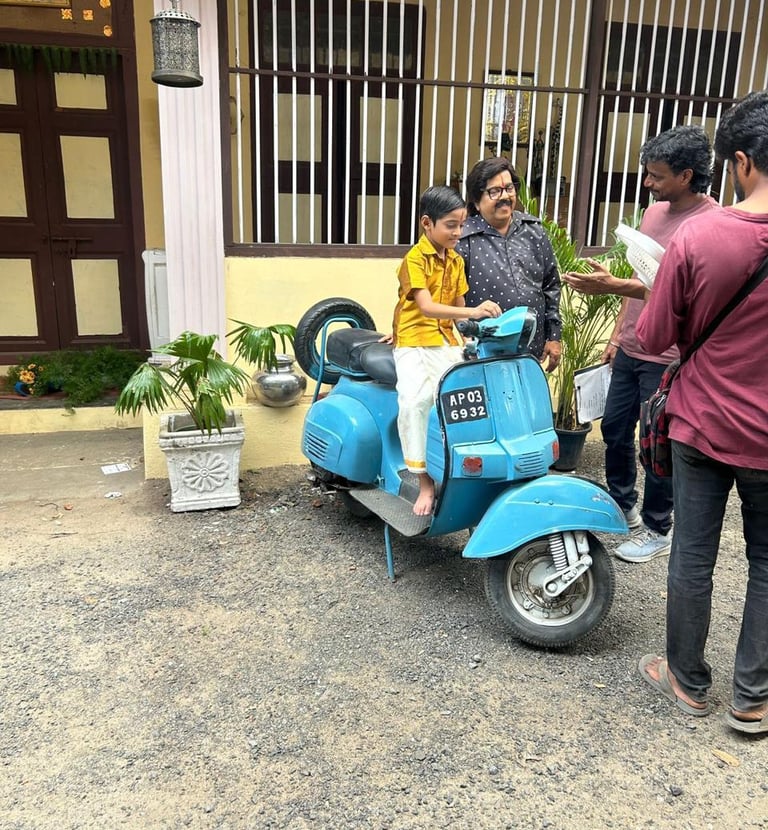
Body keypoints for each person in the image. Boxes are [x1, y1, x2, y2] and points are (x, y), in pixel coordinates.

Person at [633, 91, 768, 733]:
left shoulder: (700, 236)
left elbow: (655, 334)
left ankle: (686, 682)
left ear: (741, 162)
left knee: (693, 553)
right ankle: (753, 698)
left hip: (703, 424)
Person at [563, 126, 718, 563]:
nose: (648, 183)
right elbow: (641, 278)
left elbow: (683, 294)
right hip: (632, 346)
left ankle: (657, 526)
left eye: (657, 175)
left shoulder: (710, 225)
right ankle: (622, 503)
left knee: (656, 444)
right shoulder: (653, 214)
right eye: (646, 173)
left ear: (686, 175)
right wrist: (617, 333)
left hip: (668, 355)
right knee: (614, 429)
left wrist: (613, 285)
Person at [392, 186, 501, 516]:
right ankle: (424, 482)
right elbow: (426, 307)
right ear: (427, 223)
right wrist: (473, 312)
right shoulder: (414, 259)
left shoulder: (455, 261)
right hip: (413, 340)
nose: (458, 232)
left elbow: (458, 311)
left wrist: (471, 335)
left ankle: (459, 471)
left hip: (445, 341)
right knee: (415, 403)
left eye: (461, 225)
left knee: (465, 401)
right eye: (451, 225)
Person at [455, 157, 562, 372]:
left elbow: (551, 285)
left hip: (531, 351)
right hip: (483, 354)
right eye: (494, 191)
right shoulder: (462, 239)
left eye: (509, 188)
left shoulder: (534, 231)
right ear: (476, 201)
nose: (505, 196)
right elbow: (448, 296)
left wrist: (554, 336)